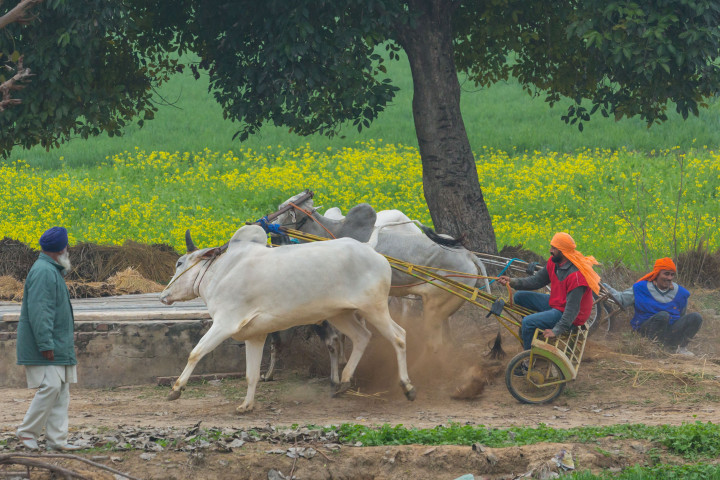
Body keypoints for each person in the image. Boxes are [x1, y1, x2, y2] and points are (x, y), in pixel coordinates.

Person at [16, 227, 82, 451]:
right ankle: (27, 432)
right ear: (61, 249)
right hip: (46, 345)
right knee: (51, 387)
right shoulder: (44, 271)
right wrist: (45, 344)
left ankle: (57, 441)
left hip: (58, 344)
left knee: (61, 391)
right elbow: (40, 311)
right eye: (67, 246)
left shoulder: (50, 269)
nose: (68, 250)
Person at [497, 232, 600, 373]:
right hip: (558, 302)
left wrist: (556, 330)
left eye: (554, 248)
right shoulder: (554, 262)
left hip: (572, 315)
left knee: (527, 322)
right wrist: (512, 281)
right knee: (520, 296)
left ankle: (529, 362)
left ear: (563, 251)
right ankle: (534, 333)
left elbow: (572, 310)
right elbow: (536, 281)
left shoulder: (576, 276)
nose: (550, 251)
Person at [603, 257, 702, 356]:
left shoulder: (681, 293)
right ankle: (652, 348)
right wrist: (604, 287)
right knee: (663, 316)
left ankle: (678, 348)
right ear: (657, 273)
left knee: (696, 317)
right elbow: (622, 299)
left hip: (669, 333)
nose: (669, 278)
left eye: (672, 275)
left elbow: (682, 316)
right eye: (666, 274)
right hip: (646, 331)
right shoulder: (641, 288)